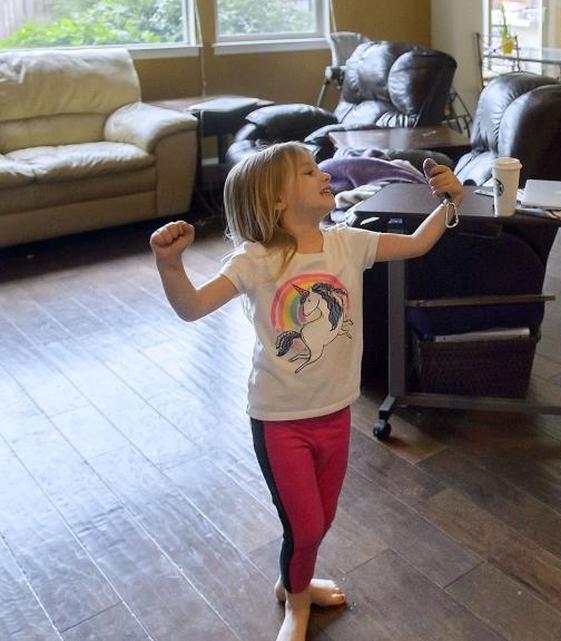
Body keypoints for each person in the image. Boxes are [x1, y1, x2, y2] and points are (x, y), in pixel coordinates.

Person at [149, 142, 463, 641]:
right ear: (275, 200)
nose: (323, 174)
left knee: (320, 519)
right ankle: (296, 604)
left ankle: (289, 580)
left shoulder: (347, 243)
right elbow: (192, 308)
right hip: (279, 420)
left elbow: (419, 245)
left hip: (335, 413)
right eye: (307, 171)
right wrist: (170, 266)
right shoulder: (255, 260)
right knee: (307, 526)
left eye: (318, 167)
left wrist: (449, 203)